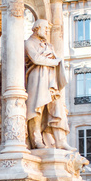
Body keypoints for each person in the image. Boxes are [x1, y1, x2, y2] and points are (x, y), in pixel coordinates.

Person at [24, 19, 70, 150]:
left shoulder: (48, 45)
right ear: (37, 28)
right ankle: (36, 139)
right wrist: (54, 61)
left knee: (57, 107)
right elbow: (36, 59)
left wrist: (53, 58)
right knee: (36, 108)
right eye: (45, 29)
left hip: (50, 79)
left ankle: (60, 140)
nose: (47, 32)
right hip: (36, 77)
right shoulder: (29, 43)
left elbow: (53, 58)